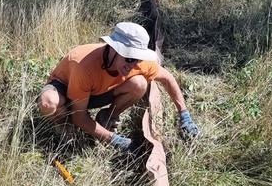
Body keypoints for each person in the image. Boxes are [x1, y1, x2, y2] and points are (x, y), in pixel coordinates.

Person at [37, 22, 200, 151]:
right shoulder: (83, 65)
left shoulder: (137, 63)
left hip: (95, 93)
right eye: (129, 58)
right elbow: (79, 116)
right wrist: (113, 140)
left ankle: (107, 117)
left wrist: (184, 115)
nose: (133, 64)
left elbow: (168, 79)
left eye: (138, 58)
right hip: (66, 92)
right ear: (113, 49)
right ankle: (65, 126)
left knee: (139, 84)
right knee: (48, 102)